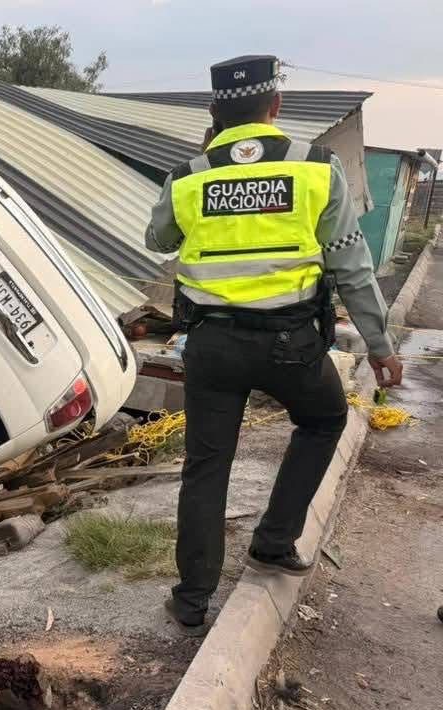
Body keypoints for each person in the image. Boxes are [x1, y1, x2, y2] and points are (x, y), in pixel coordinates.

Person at [145, 55, 403, 636]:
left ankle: (191, 600)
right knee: (323, 420)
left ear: (214, 113)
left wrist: (207, 172)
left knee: (206, 466)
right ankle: (273, 541)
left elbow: (158, 236)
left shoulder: (190, 174)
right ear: (276, 107)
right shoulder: (316, 167)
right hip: (292, 344)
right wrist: (381, 346)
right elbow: (353, 270)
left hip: (210, 344)